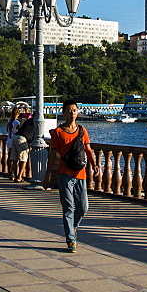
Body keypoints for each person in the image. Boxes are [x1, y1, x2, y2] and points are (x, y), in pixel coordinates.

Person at [48, 100, 101, 253]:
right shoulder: (58, 132)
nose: (72, 113)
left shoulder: (82, 130)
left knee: (83, 207)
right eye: (69, 110)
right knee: (68, 208)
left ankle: (74, 226)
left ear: (78, 112)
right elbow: (52, 154)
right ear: (64, 113)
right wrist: (47, 175)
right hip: (64, 174)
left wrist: (94, 165)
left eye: (75, 110)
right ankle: (71, 240)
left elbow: (88, 149)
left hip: (81, 174)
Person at [6, 104, 30, 182]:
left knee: (12, 157)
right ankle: (18, 175)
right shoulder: (16, 122)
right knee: (18, 158)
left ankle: (11, 173)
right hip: (16, 138)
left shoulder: (9, 120)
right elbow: (18, 130)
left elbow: (7, 129)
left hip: (9, 139)